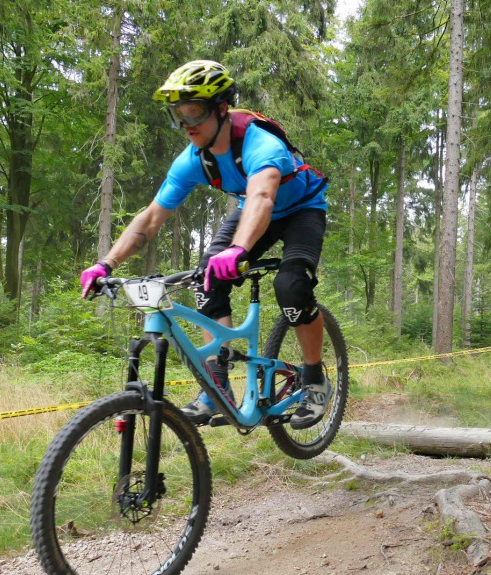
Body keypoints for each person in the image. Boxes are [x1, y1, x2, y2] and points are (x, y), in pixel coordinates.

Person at [79, 60, 330, 428]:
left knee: (291, 285)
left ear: (221, 108)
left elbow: (262, 197)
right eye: (178, 115)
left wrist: (237, 250)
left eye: (194, 112)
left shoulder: (262, 143)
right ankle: (218, 387)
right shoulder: (193, 159)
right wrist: (107, 264)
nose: (186, 124)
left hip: (300, 210)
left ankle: (314, 379)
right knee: (206, 278)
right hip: (252, 210)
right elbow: (150, 218)